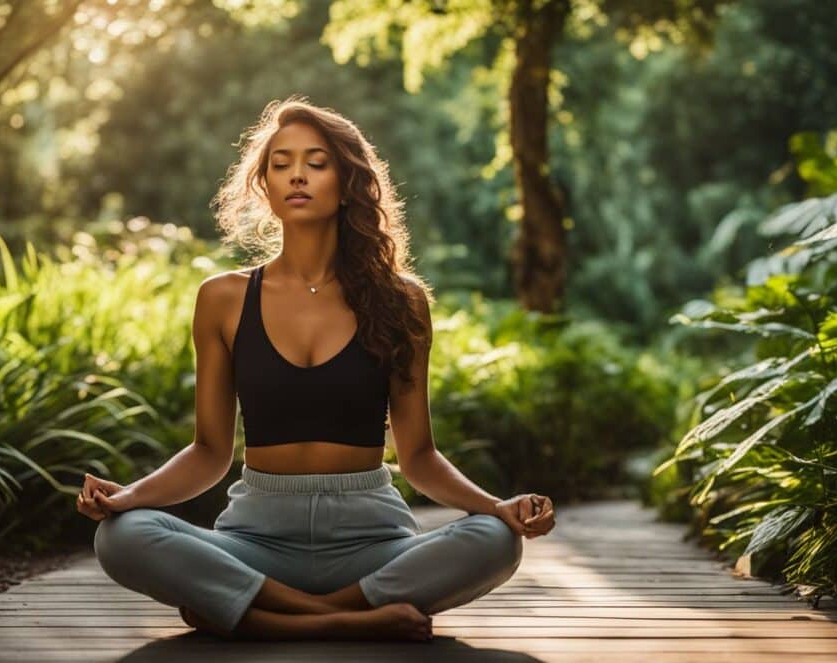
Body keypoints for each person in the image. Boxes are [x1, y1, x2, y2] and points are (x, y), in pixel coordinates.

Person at [76, 96, 556, 642]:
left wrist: (499, 508)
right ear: (264, 185)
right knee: (121, 535)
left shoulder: (402, 301)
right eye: (280, 164)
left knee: (495, 539)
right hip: (256, 540)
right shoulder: (223, 299)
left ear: (348, 180)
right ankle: (348, 621)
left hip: (372, 543)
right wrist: (127, 498)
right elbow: (209, 453)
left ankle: (261, 617)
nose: (296, 175)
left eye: (316, 162)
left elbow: (418, 457)